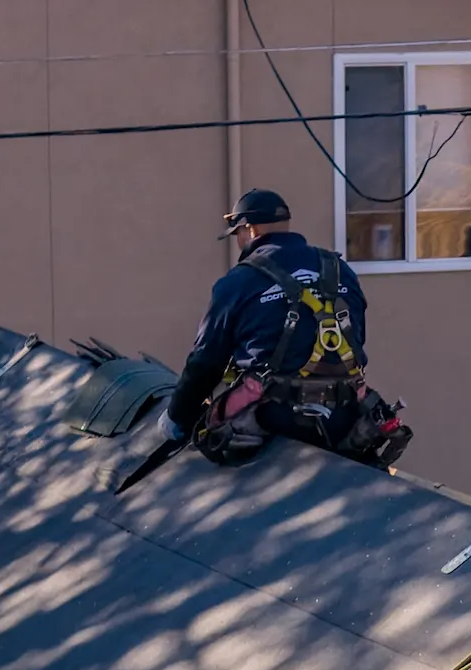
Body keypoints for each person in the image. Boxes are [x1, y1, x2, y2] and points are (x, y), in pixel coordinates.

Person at [163, 188, 407, 469]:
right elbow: (357, 338)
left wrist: (177, 416)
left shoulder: (239, 281)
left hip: (272, 419)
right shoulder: (340, 270)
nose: (239, 243)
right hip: (343, 417)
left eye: (238, 235)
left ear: (250, 230)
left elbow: (206, 361)